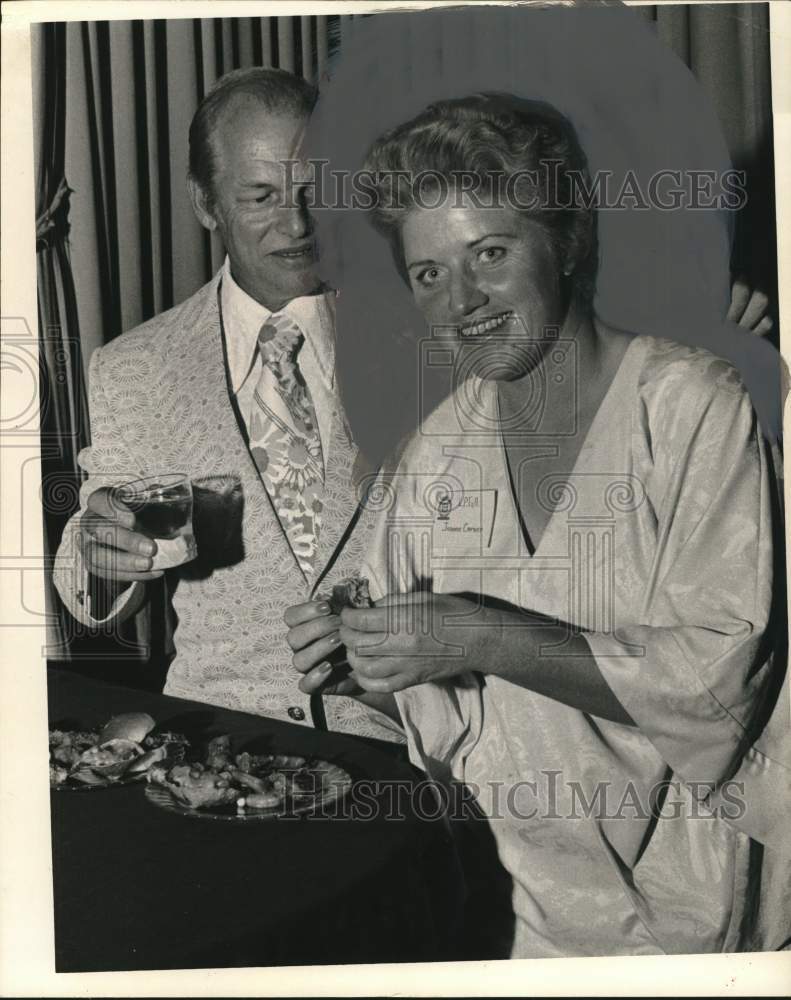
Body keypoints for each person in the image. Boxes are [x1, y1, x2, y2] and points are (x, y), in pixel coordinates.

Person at [285, 94, 788, 955]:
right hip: (532, 910)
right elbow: (451, 720)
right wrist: (367, 664)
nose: (460, 301)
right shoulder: (433, 457)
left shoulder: (694, 408)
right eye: (428, 272)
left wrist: (477, 631)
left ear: (566, 240)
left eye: (489, 252)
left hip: (704, 911)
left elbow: (719, 683)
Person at [53, 68, 400, 742]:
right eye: (261, 197)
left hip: (403, 751)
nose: (296, 223)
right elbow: (92, 578)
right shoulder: (133, 367)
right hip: (219, 750)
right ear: (207, 205)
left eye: (312, 190)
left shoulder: (428, 334)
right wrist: (100, 553)